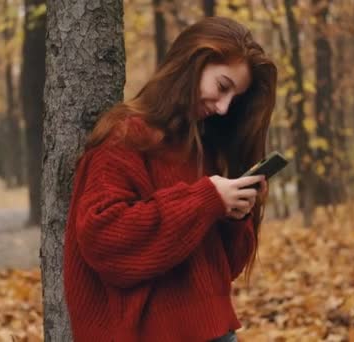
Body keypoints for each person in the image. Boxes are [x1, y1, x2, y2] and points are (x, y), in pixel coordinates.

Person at [63, 16, 277, 342]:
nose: (223, 107)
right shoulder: (127, 135)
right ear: (194, 62)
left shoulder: (205, 147)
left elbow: (222, 269)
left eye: (234, 99)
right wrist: (206, 200)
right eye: (222, 87)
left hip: (215, 330)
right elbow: (103, 238)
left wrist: (235, 214)